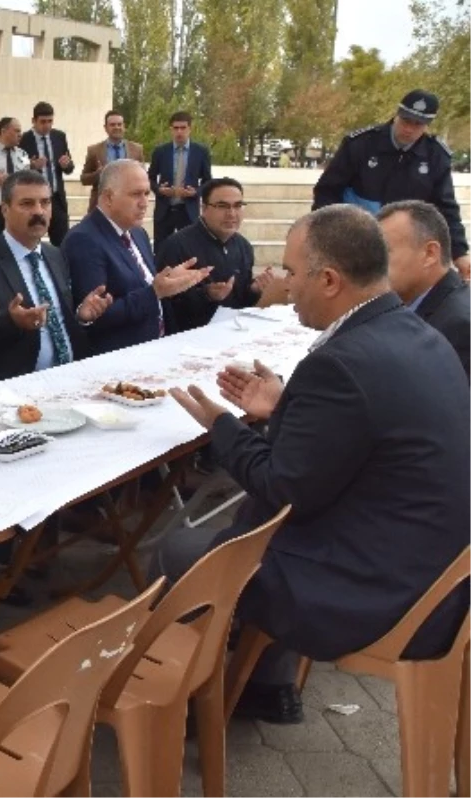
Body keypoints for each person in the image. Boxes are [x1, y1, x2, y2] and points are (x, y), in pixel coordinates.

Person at [160, 204, 471, 724]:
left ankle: (185, 708)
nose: (284, 283)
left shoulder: (339, 363)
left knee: (186, 548)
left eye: (291, 272)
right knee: (254, 529)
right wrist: (283, 409)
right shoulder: (416, 332)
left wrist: (222, 426)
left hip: (382, 590)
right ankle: (261, 685)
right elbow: (356, 439)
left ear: (329, 280)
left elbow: (285, 486)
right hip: (433, 567)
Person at [0, 170, 111, 603]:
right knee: (5, 492)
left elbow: (59, 321)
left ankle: (37, 558)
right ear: (4, 209)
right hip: (4, 395)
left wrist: (85, 316)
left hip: (58, 391)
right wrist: (8, 322)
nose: (39, 212)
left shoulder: (55, 257)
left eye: (44, 203)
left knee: (52, 480)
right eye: (27, 204)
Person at [314, 90, 471, 275]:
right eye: (405, 120)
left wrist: (460, 253)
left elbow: (446, 208)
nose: (409, 129)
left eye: (418, 124)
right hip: (356, 240)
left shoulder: (436, 156)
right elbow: (327, 192)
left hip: (404, 248)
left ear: (427, 125)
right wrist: (326, 236)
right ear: (396, 114)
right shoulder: (361, 144)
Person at [61, 160, 209, 355]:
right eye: (135, 194)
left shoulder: (137, 233)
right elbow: (97, 317)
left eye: (147, 193)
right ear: (107, 198)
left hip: (156, 348)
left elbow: (144, 285)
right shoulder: (84, 240)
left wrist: (170, 281)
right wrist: (155, 292)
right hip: (118, 360)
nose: (144, 202)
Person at [156, 177, 278, 331]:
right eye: (222, 206)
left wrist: (254, 289)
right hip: (188, 339)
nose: (232, 214)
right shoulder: (177, 246)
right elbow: (165, 305)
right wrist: (206, 295)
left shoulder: (244, 246)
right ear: (204, 208)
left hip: (231, 333)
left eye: (238, 206)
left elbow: (240, 302)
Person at [377, 200, 471, 382]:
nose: (373, 266)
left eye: (384, 253)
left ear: (430, 253)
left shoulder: (460, 327)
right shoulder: (417, 306)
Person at [147, 111, 213, 253]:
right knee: (161, 252)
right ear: (171, 129)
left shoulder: (201, 152)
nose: (179, 132)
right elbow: (149, 178)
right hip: (165, 211)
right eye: (175, 128)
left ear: (190, 129)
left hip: (188, 210)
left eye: (183, 128)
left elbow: (208, 180)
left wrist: (196, 192)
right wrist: (159, 189)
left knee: (190, 251)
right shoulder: (160, 151)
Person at [19, 102, 76, 246]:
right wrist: (32, 166)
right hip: (33, 200)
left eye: (50, 121)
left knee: (62, 243)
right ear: (34, 121)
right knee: (30, 241)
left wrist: (67, 165)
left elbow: (69, 167)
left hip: (56, 199)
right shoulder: (24, 140)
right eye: (43, 122)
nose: (47, 125)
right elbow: (17, 171)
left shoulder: (59, 137)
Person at [81, 110, 144, 213]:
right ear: (105, 128)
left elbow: (143, 177)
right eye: (112, 125)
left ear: (124, 126)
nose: (116, 127)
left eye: (119, 124)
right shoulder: (94, 150)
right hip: (103, 206)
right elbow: (84, 179)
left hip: (129, 205)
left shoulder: (136, 150)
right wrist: (98, 174)